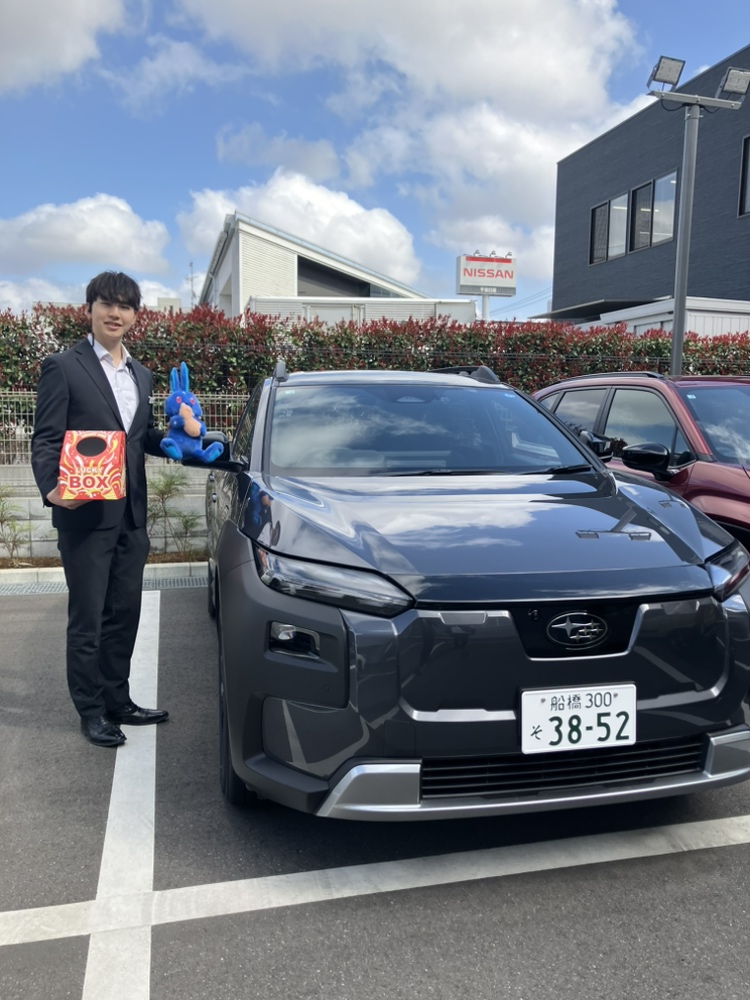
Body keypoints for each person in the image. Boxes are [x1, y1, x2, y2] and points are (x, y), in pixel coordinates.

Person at [31, 271, 169, 748]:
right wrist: (52, 489)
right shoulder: (63, 367)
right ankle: (90, 711)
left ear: (135, 315)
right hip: (85, 513)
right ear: (88, 309)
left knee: (124, 614)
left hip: (131, 515)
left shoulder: (140, 374)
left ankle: (118, 700)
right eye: (107, 303)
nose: (115, 313)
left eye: (125, 306)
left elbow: (139, 438)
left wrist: (180, 437)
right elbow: (46, 439)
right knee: (88, 618)